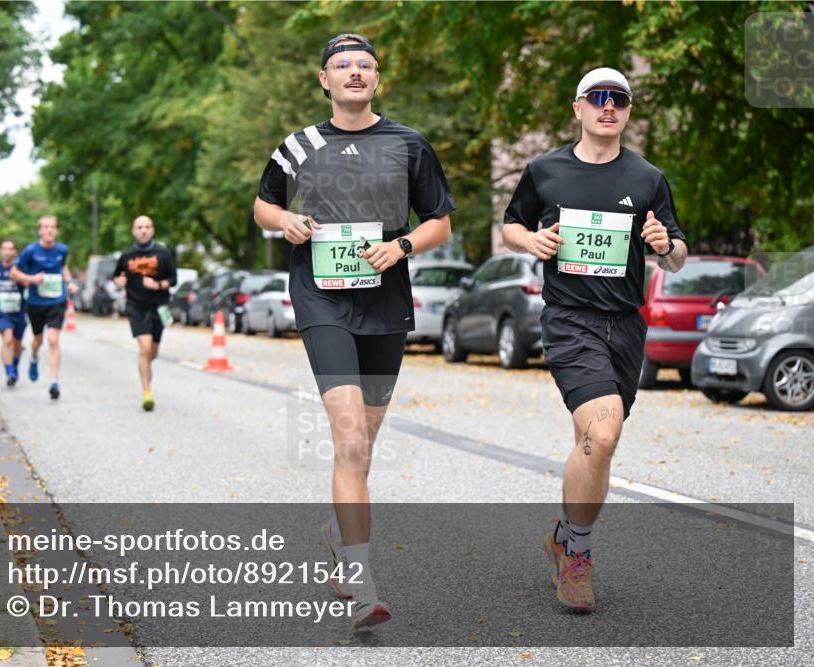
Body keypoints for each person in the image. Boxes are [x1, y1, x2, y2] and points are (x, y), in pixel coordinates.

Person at [253, 33, 455, 628]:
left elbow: (440, 222)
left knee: (362, 446)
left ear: (377, 78)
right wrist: (286, 220)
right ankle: (361, 583)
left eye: (365, 64)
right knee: (349, 442)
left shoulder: (409, 144)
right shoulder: (299, 145)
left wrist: (402, 246)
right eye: (342, 65)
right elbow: (263, 205)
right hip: (321, 298)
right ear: (325, 80)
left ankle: (340, 536)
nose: (355, 72)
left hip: (385, 303)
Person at [501, 67, 687, 610]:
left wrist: (664, 244)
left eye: (619, 99)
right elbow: (511, 225)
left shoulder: (648, 177)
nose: (609, 107)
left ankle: (563, 537)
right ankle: (577, 553)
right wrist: (530, 241)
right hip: (570, 320)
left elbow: (677, 255)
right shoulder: (545, 170)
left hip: (625, 325)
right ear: (578, 107)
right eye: (598, 97)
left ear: (628, 111)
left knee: (597, 445)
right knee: (602, 436)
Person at [112, 215, 178, 411]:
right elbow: (116, 277)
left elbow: (173, 279)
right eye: (139, 227)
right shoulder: (126, 256)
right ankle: (146, 392)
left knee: (152, 353)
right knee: (145, 347)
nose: (143, 230)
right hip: (136, 307)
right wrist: (119, 282)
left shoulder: (163, 253)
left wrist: (157, 285)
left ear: (152, 230)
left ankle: (145, 369)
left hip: (159, 307)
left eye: (147, 227)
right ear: (134, 231)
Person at [11, 215, 78, 400]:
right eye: (46, 227)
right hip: (36, 303)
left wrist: (69, 283)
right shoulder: (30, 251)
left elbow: (63, 267)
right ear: (40, 230)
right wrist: (31, 279)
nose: (49, 230)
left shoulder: (62, 249)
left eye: (52, 227)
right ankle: (34, 356)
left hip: (57, 301)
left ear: (56, 230)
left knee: (53, 340)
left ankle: (54, 381)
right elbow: (14, 272)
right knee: (38, 341)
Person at [0, 239, 28, 387]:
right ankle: (9, 372)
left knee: (17, 345)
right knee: (7, 339)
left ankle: (14, 365)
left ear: (15, 251)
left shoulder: (20, 267)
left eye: (10, 249)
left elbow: (28, 283)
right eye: (4, 249)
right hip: (2, 312)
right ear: (1, 251)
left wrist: (19, 277)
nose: (7, 252)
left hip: (19, 312)